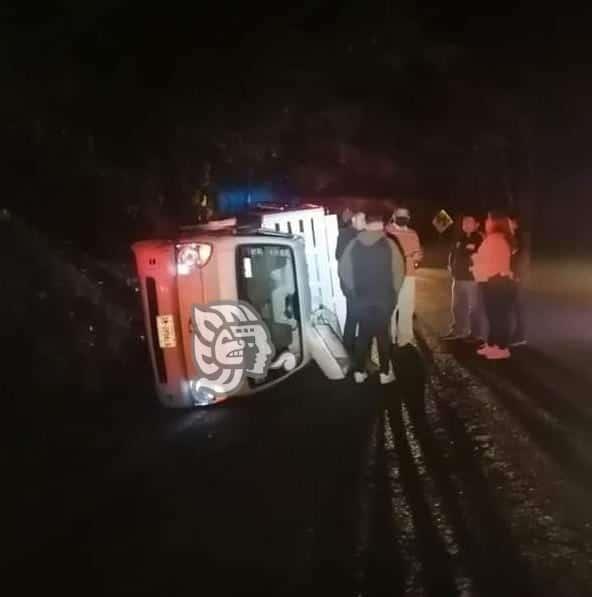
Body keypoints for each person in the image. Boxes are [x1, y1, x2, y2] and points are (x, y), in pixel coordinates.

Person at [339, 210, 405, 384]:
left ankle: (359, 372)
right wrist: (393, 294)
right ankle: (384, 373)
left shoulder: (353, 244)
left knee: (363, 335)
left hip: (361, 300)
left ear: (367, 225)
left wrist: (352, 294)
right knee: (383, 335)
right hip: (384, 300)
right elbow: (399, 272)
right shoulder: (390, 245)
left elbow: (343, 271)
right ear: (382, 225)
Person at [471, 211, 515, 360]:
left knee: (497, 316)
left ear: (495, 223)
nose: (486, 222)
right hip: (496, 280)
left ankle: (502, 347)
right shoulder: (499, 238)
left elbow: (489, 261)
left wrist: (475, 260)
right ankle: (493, 344)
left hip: (495, 281)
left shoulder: (495, 239)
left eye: (489, 220)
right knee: (494, 316)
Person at [386, 205, 423, 346]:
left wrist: (418, 257)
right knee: (391, 308)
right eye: (399, 215)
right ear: (394, 216)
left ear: (409, 218)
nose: (402, 218)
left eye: (405, 216)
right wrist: (407, 256)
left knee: (407, 306)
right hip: (392, 276)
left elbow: (418, 252)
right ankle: (390, 337)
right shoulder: (387, 232)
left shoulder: (413, 233)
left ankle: (405, 338)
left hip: (409, 275)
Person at [443, 214, 483, 340]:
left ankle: (475, 333)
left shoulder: (479, 239)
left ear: (476, 224)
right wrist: (450, 265)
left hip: (472, 279)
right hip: (458, 278)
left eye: (469, 222)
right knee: (456, 306)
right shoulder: (459, 238)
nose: (466, 225)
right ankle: (458, 330)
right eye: (464, 222)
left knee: (474, 307)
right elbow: (452, 253)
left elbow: (479, 257)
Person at [336, 211, 366, 354]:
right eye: (362, 219)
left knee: (354, 316)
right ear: (353, 220)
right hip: (352, 285)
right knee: (354, 317)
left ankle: (350, 348)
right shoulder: (346, 234)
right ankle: (348, 348)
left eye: (365, 219)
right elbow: (340, 256)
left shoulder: (361, 235)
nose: (364, 222)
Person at [509, 214, 529, 346]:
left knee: (518, 307)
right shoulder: (511, 237)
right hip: (510, 278)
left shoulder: (521, 238)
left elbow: (523, 259)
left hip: (518, 279)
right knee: (513, 307)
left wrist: (517, 275)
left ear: (516, 223)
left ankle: (520, 336)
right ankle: (516, 334)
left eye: (510, 222)